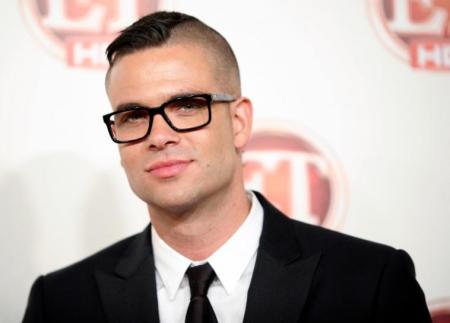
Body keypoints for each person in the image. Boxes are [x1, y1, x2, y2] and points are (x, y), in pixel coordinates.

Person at [22, 11, 431, 323]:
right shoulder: (60, 302)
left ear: (238, 123)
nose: (158, 136)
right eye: (132, 115)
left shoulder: (370, 283)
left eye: (186, 106)